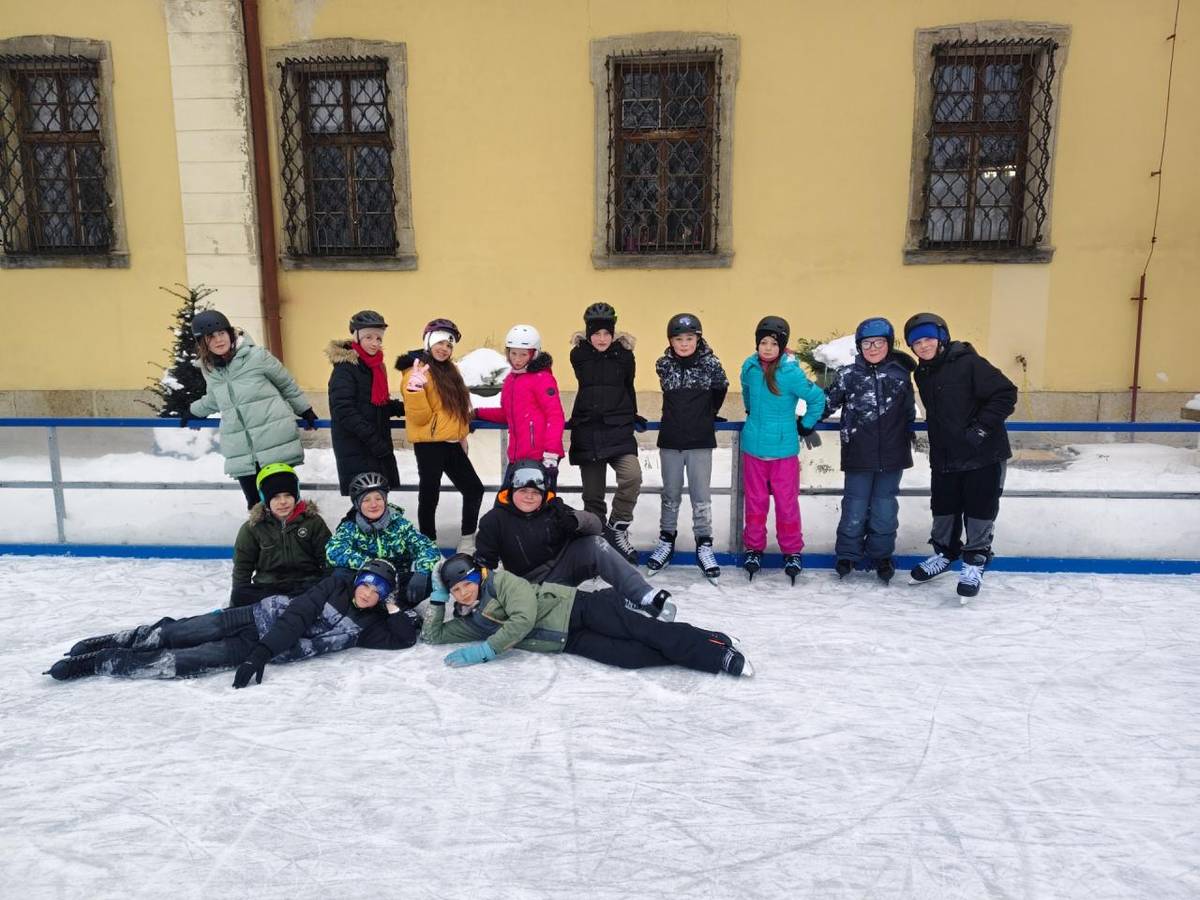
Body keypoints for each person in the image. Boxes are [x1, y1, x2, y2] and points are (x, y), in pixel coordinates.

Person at [45, 559, 427, 685]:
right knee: (175, 633)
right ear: (357, 580)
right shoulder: (334, 586)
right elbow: (296, 617)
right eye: (367, 582)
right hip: (255, 621)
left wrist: (392, 607)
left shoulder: (369, 628)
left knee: (177, 663)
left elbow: (404, 639)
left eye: (379, 589)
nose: (368, 591)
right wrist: (260, 655)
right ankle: (112, 641)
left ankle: (97, 663)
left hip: (254, 648)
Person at [423, 554, 752, 677]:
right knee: (630, 657)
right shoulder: (473, 622)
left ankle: (716, 653)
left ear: (478, 576)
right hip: (566, 640)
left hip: (578, 607)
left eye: (466, 583)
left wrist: (487, 650)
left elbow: (523, 619)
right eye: (455, 591)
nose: (463, 592)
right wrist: (437, 600)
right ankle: (703, 642)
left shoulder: (502, 582)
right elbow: (434, 636)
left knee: (648, 632)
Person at [903, 313, 1018, 599]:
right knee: (943, 509)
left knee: (980, 509)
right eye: (917, 342)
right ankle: (944, 555)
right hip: (945, 456)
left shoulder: (969, 363)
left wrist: (981, 428)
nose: (924, 345)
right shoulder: (923, 372)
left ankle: (974, 562)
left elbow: (1006, 393)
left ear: (942, 338)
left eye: (929, 338)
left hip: (983, 454)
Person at [474, 460, 675, 620]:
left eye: (536, 492)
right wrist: (477, 598)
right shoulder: (493, 521)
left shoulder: (553, 509)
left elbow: (596, 527)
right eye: (523, 491)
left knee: (595, 545)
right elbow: (485, 564)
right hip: (529, 586)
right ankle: (620, 600)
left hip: (563, 569)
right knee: (577, 610)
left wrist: (575, 520)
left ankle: (644, 596)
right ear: (510, 491)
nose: (529, 497)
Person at [182, 309, 317, 509]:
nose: (219, 340)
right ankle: (262, 542)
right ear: (203, 343)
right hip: (242, 450)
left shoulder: (256, 356)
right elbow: (214, 398)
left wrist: (304, 410)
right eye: (211, 337)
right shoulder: (209, 368)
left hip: (273, 442)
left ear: (230, 333)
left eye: (221, 333)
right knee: (256, 508)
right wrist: (194, 411)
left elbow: (285, 383)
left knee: (283, 505)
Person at [822, 317, 916, 584]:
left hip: (892, 454)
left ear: (889, 344)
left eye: (879, 343)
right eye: (867, 343)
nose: (873, 348)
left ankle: (882, 554)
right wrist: (803, 420)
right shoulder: (848, 375)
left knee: (885, 508)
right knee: (854, 505)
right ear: (859, 346)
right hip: (858, 453)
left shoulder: (900, 375)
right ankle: (848, 553)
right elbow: (826, 404)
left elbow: (909, 411)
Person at [739, 315, 826, 583]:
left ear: (782, 346)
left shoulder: (790, 373)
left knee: (787, 504)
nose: (767, 348)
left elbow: (817, 398)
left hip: (783, 452)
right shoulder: (750, 367)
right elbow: (745, 389)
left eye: (773, 343)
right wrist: (751, 412)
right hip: (753, 449)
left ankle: (791, 551)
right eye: (762, 342)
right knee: (755, 502)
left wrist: (806, 425)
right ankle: (754, 548)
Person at [650, 313, 730, 582]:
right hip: (671, 439)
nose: (684, 344)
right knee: (670, 494)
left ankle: (704, 543)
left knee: (700, 496)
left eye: (689, 338)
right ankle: (666, 539)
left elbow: (720, 388)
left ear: (698, 338)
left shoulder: (710, 364)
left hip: (699, 440)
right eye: (678, 339)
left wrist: (709, 413)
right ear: (670, 341)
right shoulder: (664, 365)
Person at [395, 319, 485, 551]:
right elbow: (420, 418)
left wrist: (462, 434)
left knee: (474, 489)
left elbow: (456, 409)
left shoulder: (450, 371)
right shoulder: (415, 370)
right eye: (440, 342)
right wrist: (414, 391)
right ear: (428, 341)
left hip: (452, 444)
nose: (444, 348)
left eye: (449, 345)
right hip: (429, 445)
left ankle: (467, 540)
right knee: (430, 494)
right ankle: (428, 542)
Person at [567, 301, 645, 564]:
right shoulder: (578, 355)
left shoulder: (624, 356)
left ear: (613, 333)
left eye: (606, 333)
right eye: (596, 333)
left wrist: (632, 412)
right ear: (588, 334)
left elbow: (628, 386)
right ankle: (597, 544)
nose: (602, 338)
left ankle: (617, 528)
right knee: (592, 495)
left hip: (618, 429)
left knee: (632, 475)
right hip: (588, 429)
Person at [474, 323, 565, 489]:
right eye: (513, 353)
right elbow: (507, 414)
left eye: (523, 354)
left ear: (533, 354)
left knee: (539, 507)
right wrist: (477, 413)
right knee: (507, 505)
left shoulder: (542, 378)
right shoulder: (511, 380)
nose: (517, 359)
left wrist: (550, 455)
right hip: (518, 457)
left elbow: (555, 415)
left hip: (540, 458)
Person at [230, 463, 333, 607]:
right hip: (268, 587)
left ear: (296, 495)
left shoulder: (312, 522)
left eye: (288, 495)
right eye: (276, 497)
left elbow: (328, 559)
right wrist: (237, 604)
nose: (283, 502)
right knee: (241, 594)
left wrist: (329, 590)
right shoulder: (252, 528)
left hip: (307, 585)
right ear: (265, 498)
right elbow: (242, 569)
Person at [326, 309, 405, 496]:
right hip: (356, 446)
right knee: (366, 499)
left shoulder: (375, 366)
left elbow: (377, 402)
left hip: (375, 445)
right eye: (369, 337)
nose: (375, 343)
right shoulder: (346, 368)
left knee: (377, 500)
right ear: (356, 337)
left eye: (379, 339)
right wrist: (374, 440)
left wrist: (407, 407)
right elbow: (343, 409)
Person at [325, 471, 443, 578]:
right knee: (340, 574)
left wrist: (421, 571)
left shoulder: (400, 524)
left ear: (385, 501)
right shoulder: (350, 527)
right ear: (357, 505)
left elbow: (428, 547)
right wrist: (371, 565)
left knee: (428, 577)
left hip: (396, 579)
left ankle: (397, 602)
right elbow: (334, 551)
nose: (373, 504)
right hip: (364, 582)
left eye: (378, 498)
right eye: (366, 500)